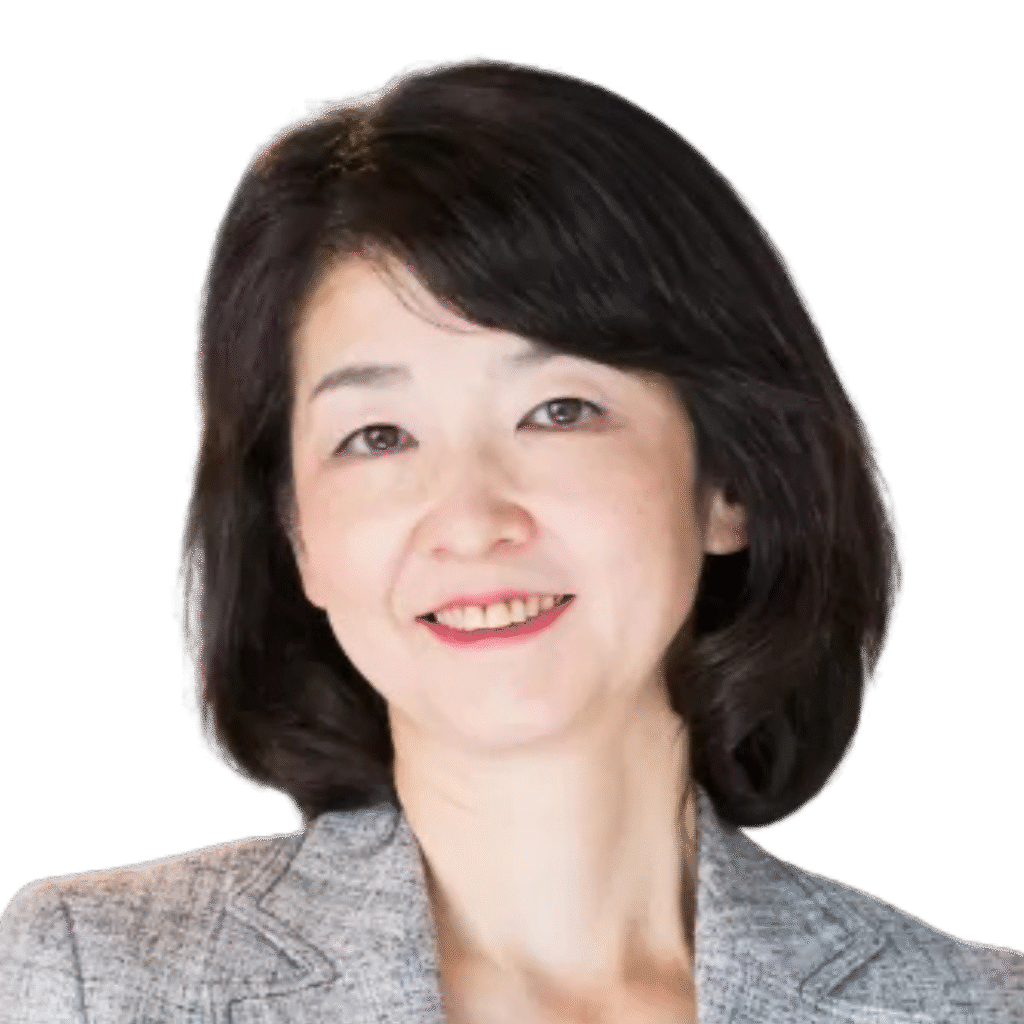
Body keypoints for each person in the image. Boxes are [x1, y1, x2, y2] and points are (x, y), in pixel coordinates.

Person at [1, 59, 1020, 1024]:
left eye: (559, 410)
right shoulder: (100, 979)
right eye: (377, 436)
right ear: (296, 534)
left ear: (729, 483)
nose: (473, 519)